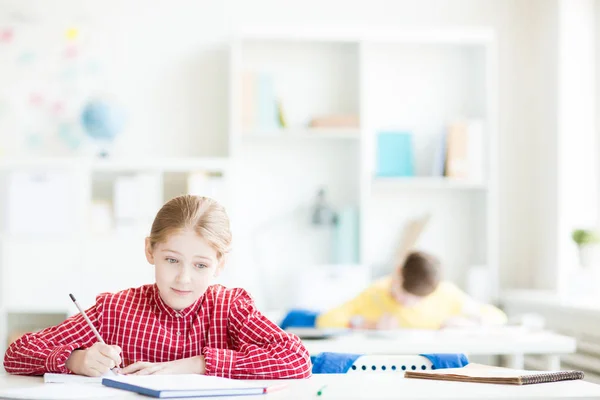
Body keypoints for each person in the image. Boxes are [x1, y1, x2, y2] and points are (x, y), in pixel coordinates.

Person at [4, 195, 311, 379]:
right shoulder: (116, 310)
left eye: (200, 265)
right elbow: (16, 353)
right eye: (172, 260)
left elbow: (296, 359)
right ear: (150, 251)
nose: (184, 278)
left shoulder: (228, 308)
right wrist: (77, 360)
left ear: (220, 264)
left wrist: (197, 364)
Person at [316, 251, 507, 330]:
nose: (407, 304)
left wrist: (468, 322)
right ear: (398, 274)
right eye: (404, 295)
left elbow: (498, 317)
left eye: (416, 300)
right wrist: (367, 323)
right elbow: (325, 320)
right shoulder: (376, 293)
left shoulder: (445, 293)